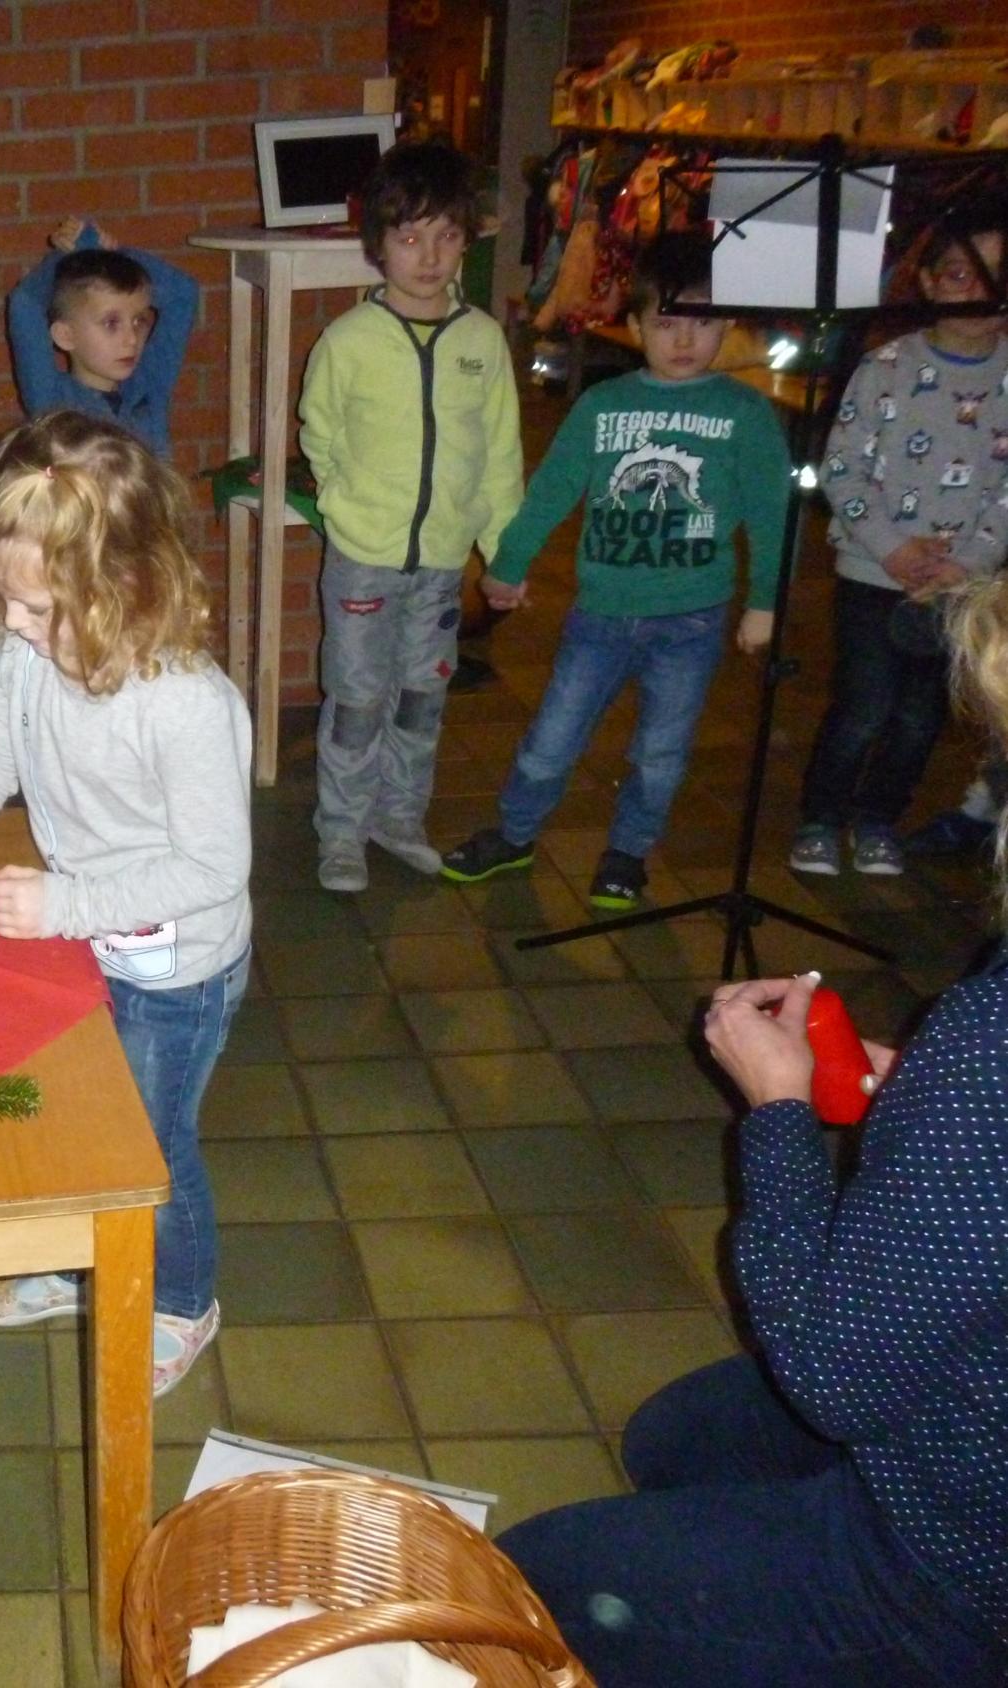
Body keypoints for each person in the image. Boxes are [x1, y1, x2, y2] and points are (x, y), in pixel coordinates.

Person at [495, 578, 1008, 1687]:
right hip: (963, 1400)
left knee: (528, 1578)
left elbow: (831, 1375)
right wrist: (926, 1101)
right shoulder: (982, 1056)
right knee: (675, 1442)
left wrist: (776, 1114)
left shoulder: (994, 1042)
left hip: (956, 1561)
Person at [0, 412, 252, 1397]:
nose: (23, 633)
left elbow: (211, 866)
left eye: (42, 609)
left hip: (175, 969)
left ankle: (179, 1299)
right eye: (10, 605)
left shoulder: (185, 703)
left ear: (132, 581)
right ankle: (87, 1256)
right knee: (85, 1118)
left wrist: (70, 900)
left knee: (153, 1143)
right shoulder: (31, 652)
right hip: (87, 937)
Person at [439, 232, 791, 910]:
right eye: (666, 323)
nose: (684, 340)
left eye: (704, 323)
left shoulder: (745, 413)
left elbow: (771, 512)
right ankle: (515, 834)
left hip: (691, 616)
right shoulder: (602, 407)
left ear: (728, 327)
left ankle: (628, 852)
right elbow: (552, 490)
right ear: (634, 325)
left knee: (661, 752)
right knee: (551, 738)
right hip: (601, 613)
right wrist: (507, 565)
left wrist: (764, 601)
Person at [301, 140, 525, 893]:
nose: (429, 256)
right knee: (358, 700)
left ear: (467, 240)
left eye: (447, 236)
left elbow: (499, 453)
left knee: (423, 701)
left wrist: (505, 552)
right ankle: (340, 831)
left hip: (440, 564)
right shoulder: (350, 341)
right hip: (364, 555)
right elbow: (319, 432)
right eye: (409, 237)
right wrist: (342, 504)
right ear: (381, 246)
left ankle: (398, 819)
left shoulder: (482, 342)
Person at [791, 208, 1008, 879]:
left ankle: (880, 816)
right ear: (926, 281)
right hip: (873, 571)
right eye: (959, 275)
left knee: (920, 716)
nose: (978, 293)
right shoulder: (885, 366)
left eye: (997, 279)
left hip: (962, 585)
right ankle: (822, 816)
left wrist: (965, 563)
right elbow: (843, 467)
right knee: (863, 706)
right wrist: (892, 549)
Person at [6, 217, 197, 454]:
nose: (132, 338)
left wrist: (117, 255)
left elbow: (183, 294)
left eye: (138, 321)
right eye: (111, 323)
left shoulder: (148, 385)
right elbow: (25, 304)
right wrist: (72, 255)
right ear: (66, 335)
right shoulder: (52, 400)